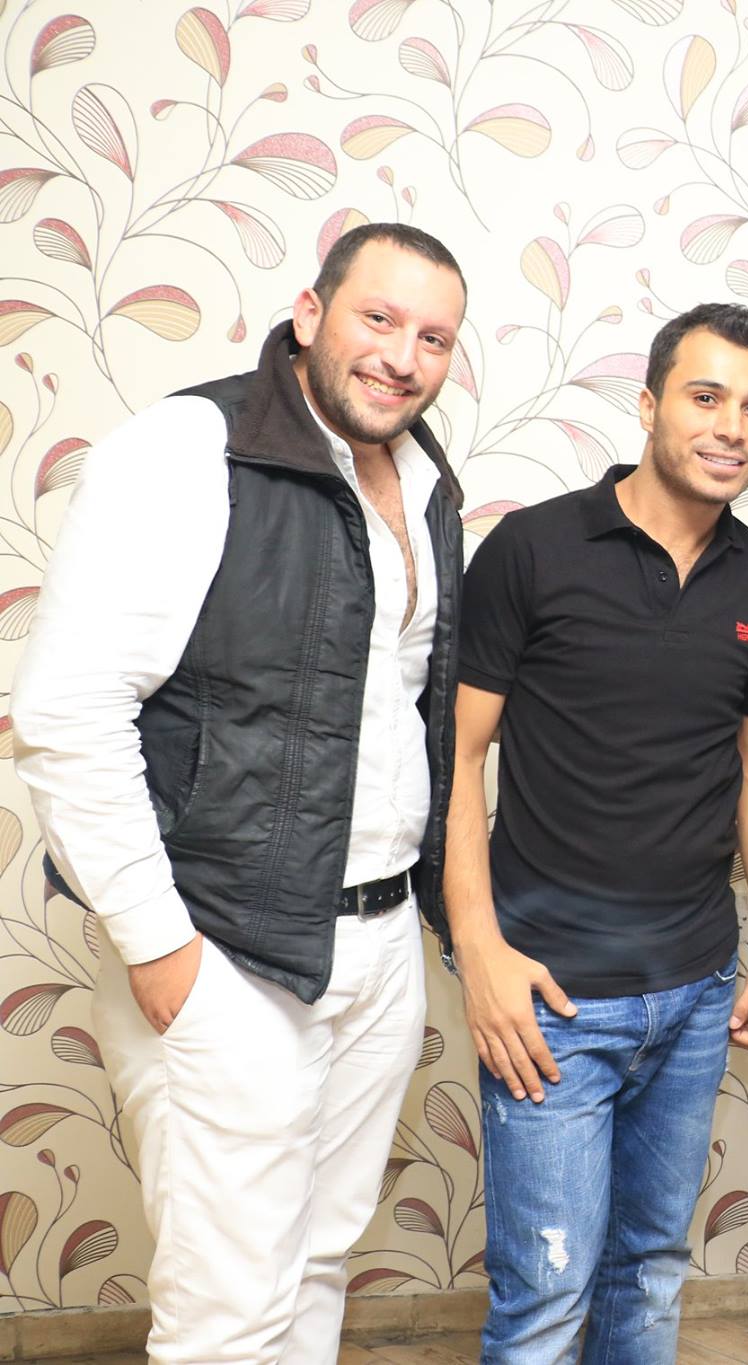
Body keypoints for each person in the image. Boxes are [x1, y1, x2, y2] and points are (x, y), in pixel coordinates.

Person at [12, 224, 468, 1365]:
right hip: (227, 945)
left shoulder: (424, 480)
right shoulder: (187, 449)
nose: (402, 356)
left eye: (433, 338)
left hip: (376, 943)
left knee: (318, 1262)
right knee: (228, 1317)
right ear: (310, 314)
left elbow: (395, 713)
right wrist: (162, 947)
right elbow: (67, 711)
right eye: (378, 318)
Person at [445, 303, 748, 1363]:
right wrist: (478, 950)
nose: (731, 426)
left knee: (647, 1272)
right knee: (545, 1296)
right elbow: (457, 758)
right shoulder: (533, 549)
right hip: (550, 996)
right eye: (706, 397)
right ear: (648, 405)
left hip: (695, 988)